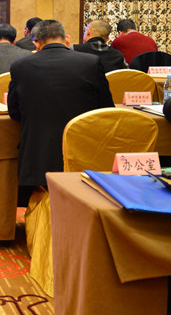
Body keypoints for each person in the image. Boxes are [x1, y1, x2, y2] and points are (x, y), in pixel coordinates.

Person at [6, 19, 113, 205]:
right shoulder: (91, 63)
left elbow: (14, 112)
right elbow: (106, 110)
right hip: (82, 149)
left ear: (36, 43)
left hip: (37, 152)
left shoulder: (20, 66)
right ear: (66, 39)